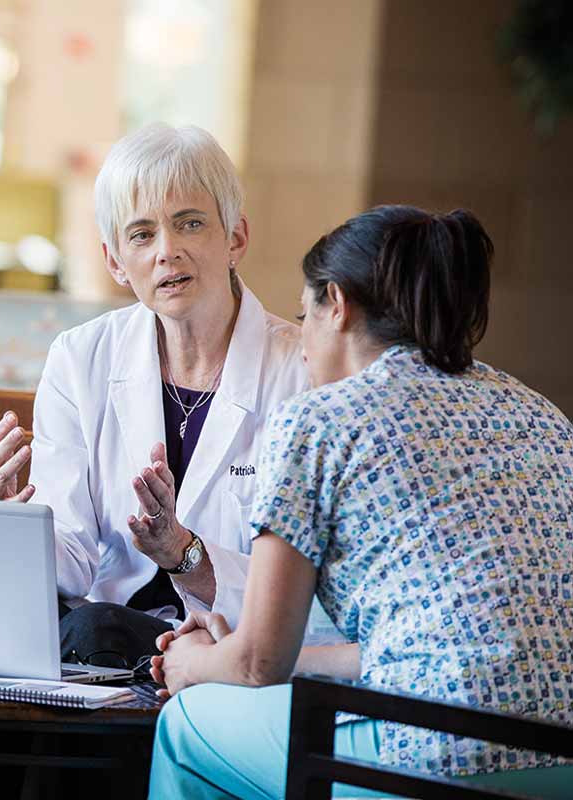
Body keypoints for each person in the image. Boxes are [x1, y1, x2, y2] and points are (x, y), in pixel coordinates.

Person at [146, 206, 573, 798]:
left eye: (304, 315)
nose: (299, 346)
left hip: (428, 757)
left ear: (337, 304)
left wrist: (192, 665)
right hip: (559, 762)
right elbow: (427, 644)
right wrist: (267, 654)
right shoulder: (542, 415)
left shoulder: (317, 420)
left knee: (187, 727)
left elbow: (256, 665)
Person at [0, 123, 342, 667]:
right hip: (96, 646)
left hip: (234, 650)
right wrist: (10, 523)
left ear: (235, 238)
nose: (167, 252)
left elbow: (320, 592)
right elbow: (71, 562)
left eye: (189, 224)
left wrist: (185, 554)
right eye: (142, 235)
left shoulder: (305, 371)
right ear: (115, 261)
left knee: (93, 630)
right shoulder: (80, 358)